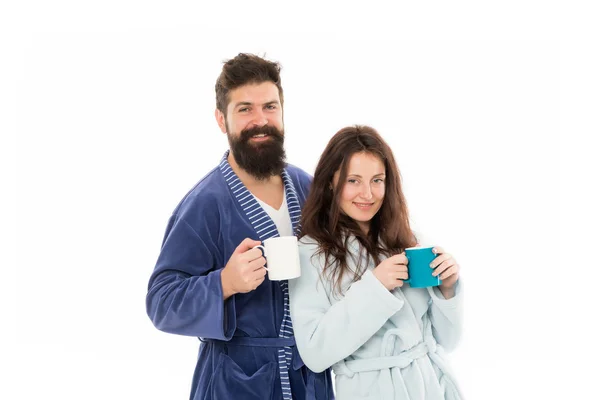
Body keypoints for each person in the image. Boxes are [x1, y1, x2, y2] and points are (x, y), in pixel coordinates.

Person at [146, 53, 334, 400]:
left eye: (270, 107)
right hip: (234, 383)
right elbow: (161, 302)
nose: (260, 120)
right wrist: (224, 283)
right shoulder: (204, 204)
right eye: (245, 109)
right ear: (222, 119)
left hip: (309, 379)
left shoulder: (310, 189)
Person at [289, 125, 463, 400]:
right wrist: (375, 288)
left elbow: (448, 341)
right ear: (332, 181)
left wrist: (449, 290)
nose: (368, 194)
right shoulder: (310, 253)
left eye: (377, 180)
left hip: (430, 386)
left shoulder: (411, 241)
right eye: (353, 180)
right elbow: (314, 352)